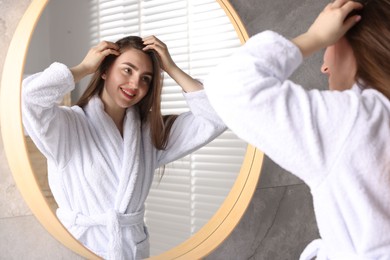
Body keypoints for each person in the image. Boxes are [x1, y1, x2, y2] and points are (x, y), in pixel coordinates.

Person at [204, 0, 390, 259]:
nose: (324, 66)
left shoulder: (358, 121)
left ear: (359, 46)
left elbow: (231, 86)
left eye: (329, 44)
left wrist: (312, 37)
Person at [22, 35, 226, 260]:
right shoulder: (68, 127)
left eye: (146, 78)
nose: (135, 84)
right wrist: (83, 68)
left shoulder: (150, 134)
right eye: (127, 70)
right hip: (81, 248)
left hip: (132, 251)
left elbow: (217, 117)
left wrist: (172, 68)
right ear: (104, 70)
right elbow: (29, 98)